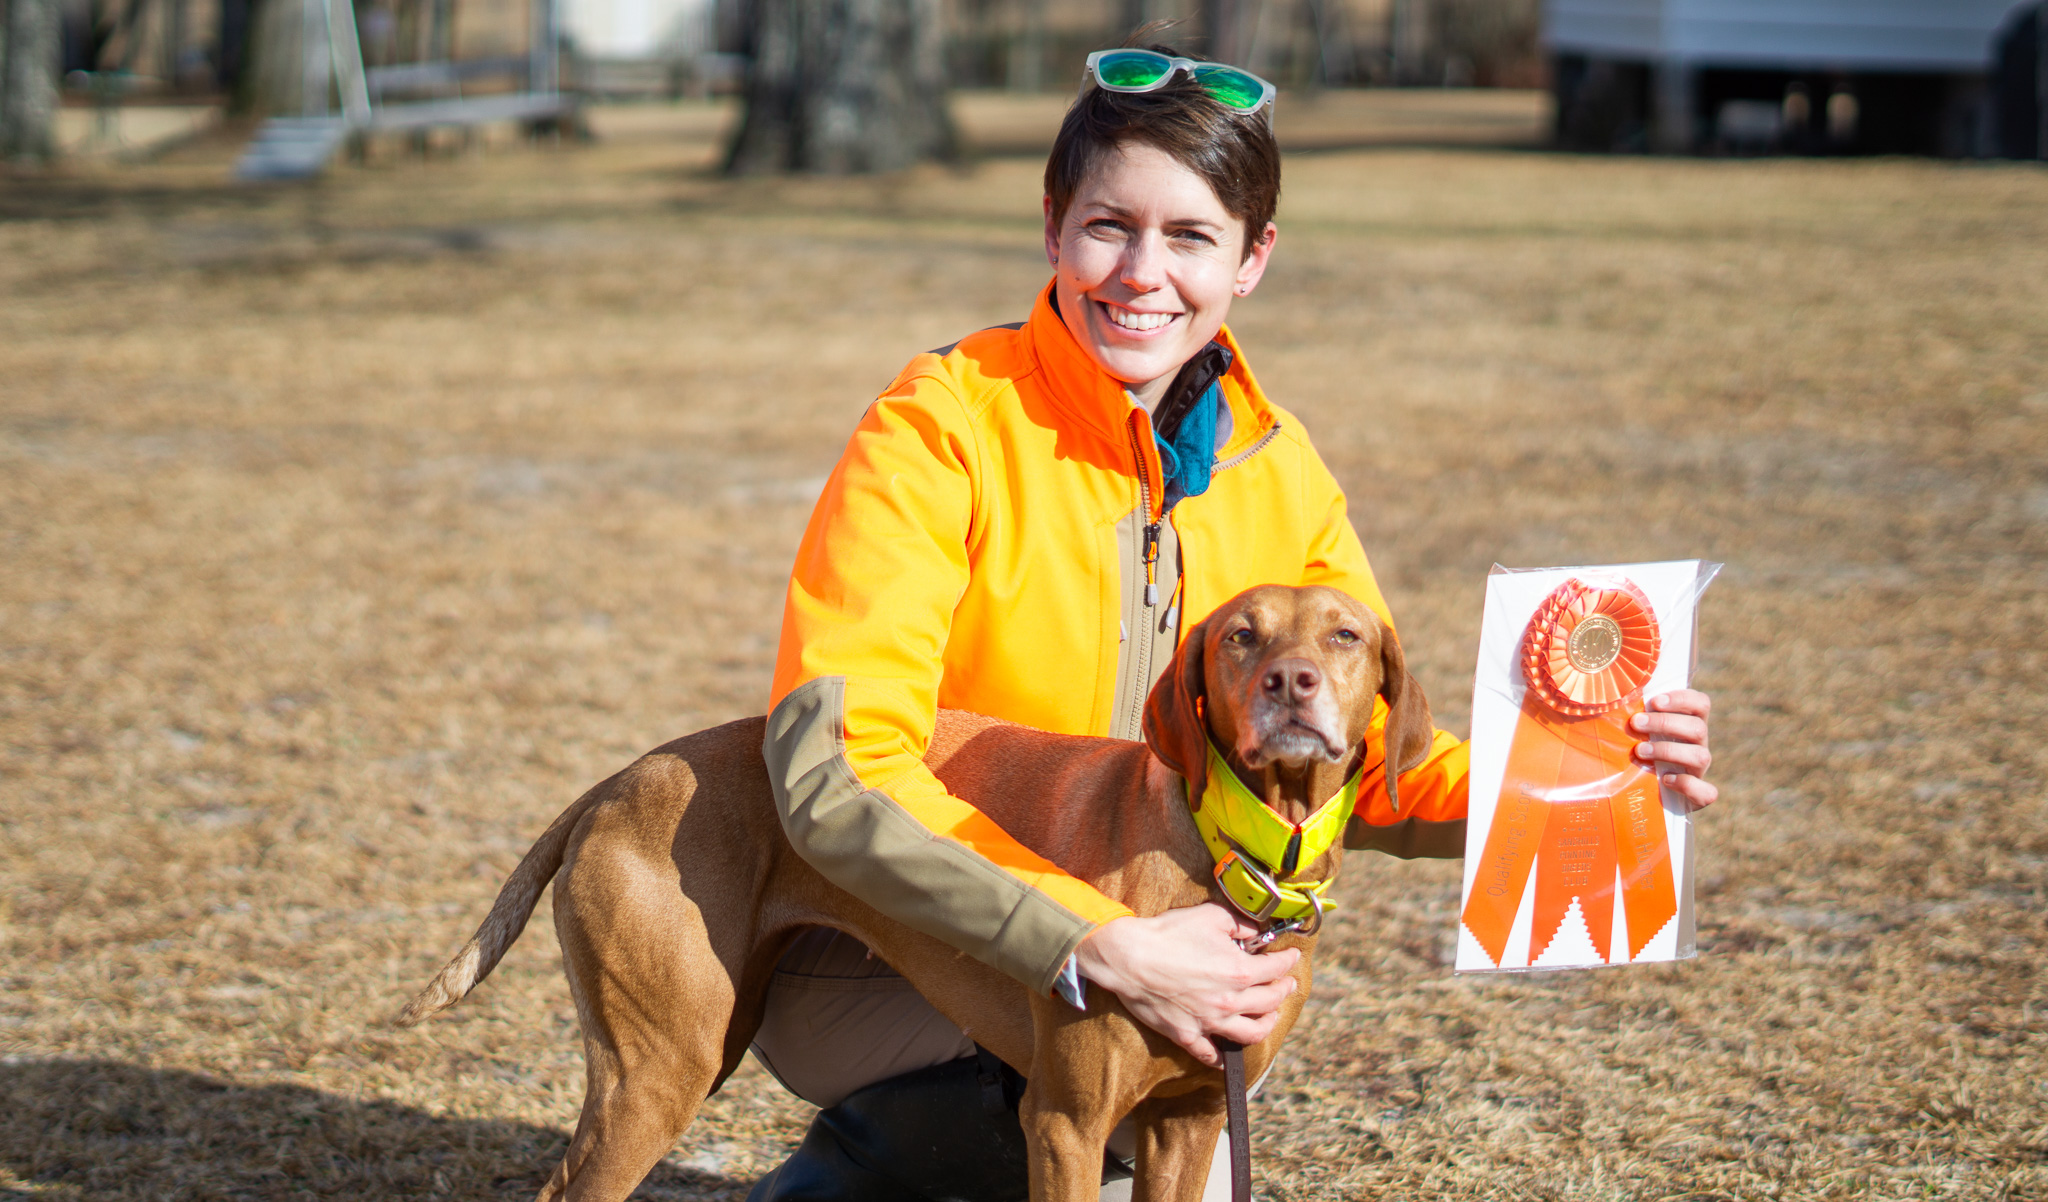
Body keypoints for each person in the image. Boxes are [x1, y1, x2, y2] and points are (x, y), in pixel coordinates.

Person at [749, 38, 1718, 1202]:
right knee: (1076, 1079)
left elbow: (1374, 757)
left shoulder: (1280, 467)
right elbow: (835, 766)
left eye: (1191, 237)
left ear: (1252, 257)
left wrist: (1594, 772)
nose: (1140, 273)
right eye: (1109, 226)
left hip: (1169, 951)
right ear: (1052, 224)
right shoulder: (942, 426)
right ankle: (879, 1162)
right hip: (896, 941)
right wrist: (1085, 938)